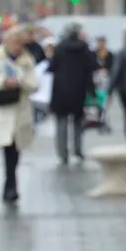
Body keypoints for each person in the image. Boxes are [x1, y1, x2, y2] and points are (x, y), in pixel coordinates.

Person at [0, 26, 38, 204]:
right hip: (2, 110)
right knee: (8, 148)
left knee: (16, 147)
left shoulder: (27, 60)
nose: (16, 47)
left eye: (19, 43)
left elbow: (35, 85)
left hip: (21, 111)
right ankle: (10, 183)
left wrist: (20, 81)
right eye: (12, 43)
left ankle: (11, 183)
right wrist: (3, 82)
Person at [46, 23, 96, 164]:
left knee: (61, 122)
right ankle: (78, 150)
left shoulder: (60, 48)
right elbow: (91, 68)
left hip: (61, 90)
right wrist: (92, 91)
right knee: (78, 122)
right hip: (79, 90)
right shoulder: (85, 49)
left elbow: (52, 67)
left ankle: (62, 153)